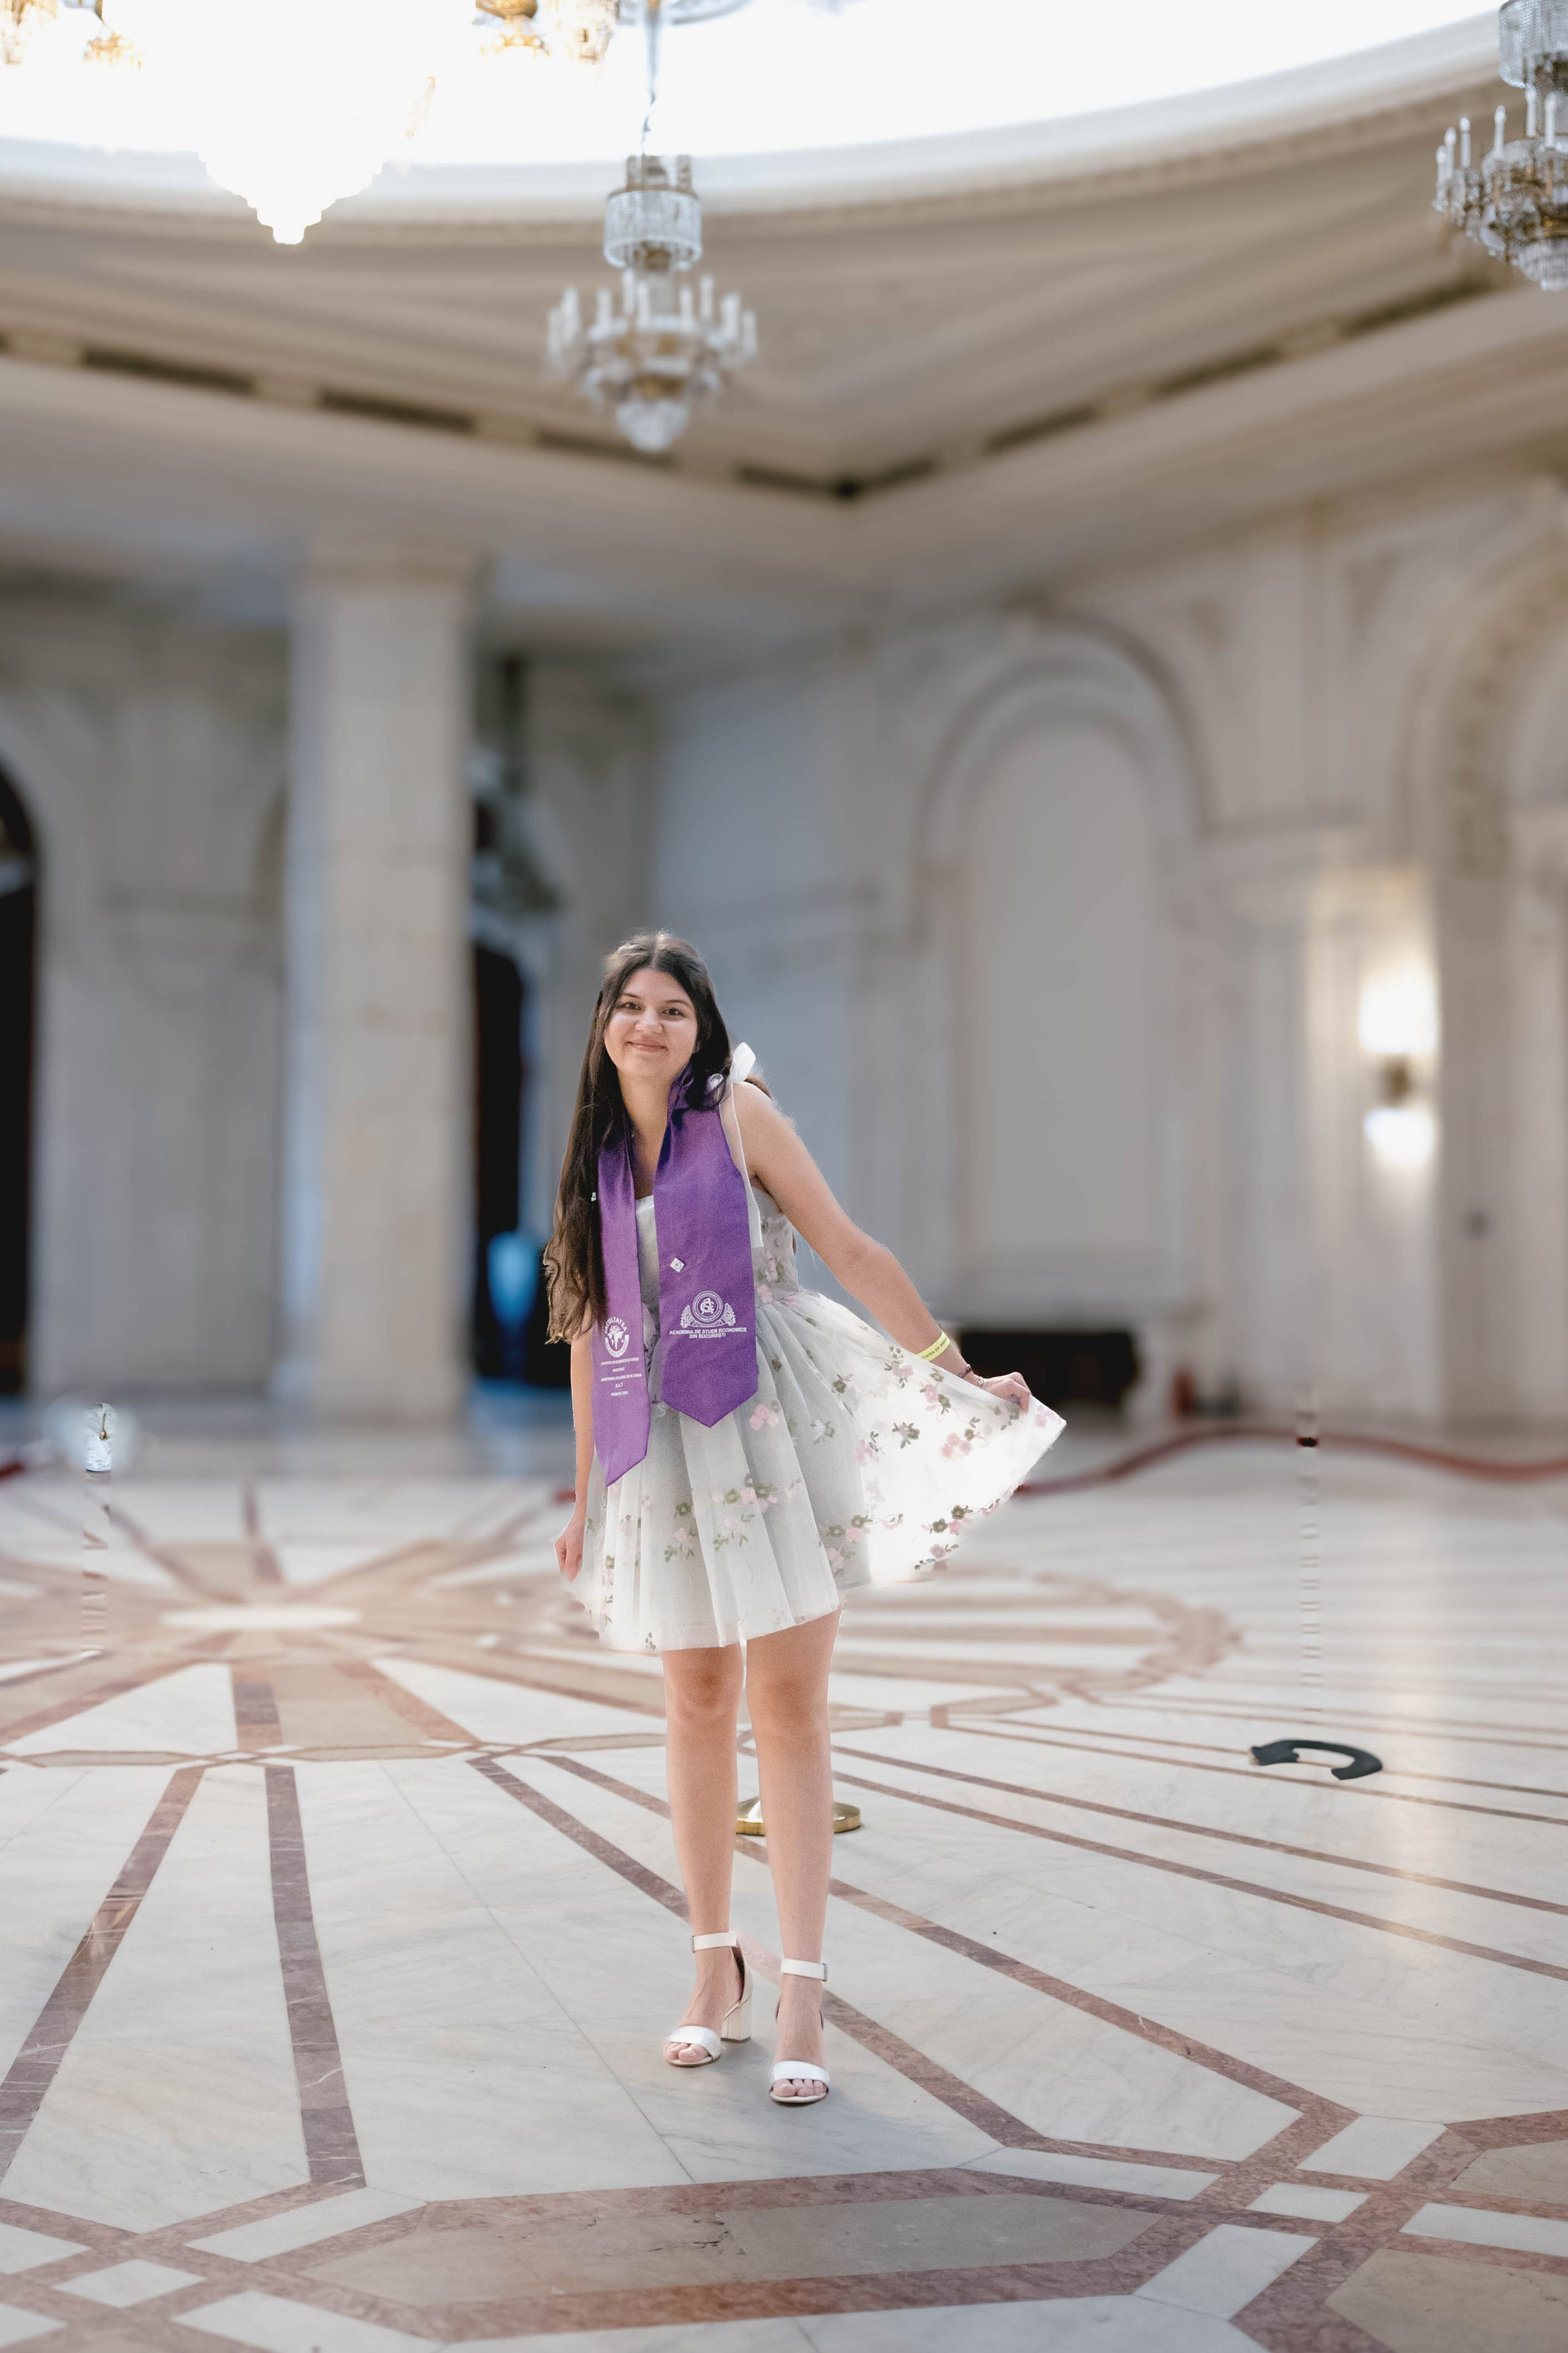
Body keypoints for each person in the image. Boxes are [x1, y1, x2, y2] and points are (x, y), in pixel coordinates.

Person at [548, 932, 1063, 2107]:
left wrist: (957, 1368)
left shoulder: (739, 1118)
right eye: (630, 1007)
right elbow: (587, 1331)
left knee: (787, 1705)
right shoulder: (594, 1163)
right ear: (603, 1027)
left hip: (772, 1426)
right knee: (693, 1701)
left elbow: (850, 1248)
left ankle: (802, 1986)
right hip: (662, 1448)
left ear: (701, 1027)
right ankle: (710, 1969)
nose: (649, 1026)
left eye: (672, 1009)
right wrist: (584, 1497)